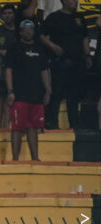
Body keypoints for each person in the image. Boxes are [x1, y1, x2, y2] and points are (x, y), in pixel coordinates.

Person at [7, 19, 53, 161]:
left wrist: (48, 90)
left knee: (34, 127)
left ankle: (35, 158)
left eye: (31, 29)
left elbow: (44, 70)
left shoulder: (40, 49)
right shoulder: (14, 47)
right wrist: (10, 91)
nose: (28, 32)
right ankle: (15, 159)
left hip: (36, 94)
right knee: (17, 127)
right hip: (19, 95)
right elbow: (8, 70)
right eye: (25, 29)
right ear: (20, 32)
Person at [39, 0, 90, 129]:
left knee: (74, 96)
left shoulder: (80, 18)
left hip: (77, 62)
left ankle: (74, 124)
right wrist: (53, 46)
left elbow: (84, 37)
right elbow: (41, 35)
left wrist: (88, 55)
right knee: (56, 94)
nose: (75, 2)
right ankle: (52, 124)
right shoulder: (54, 17)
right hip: (59, 62)